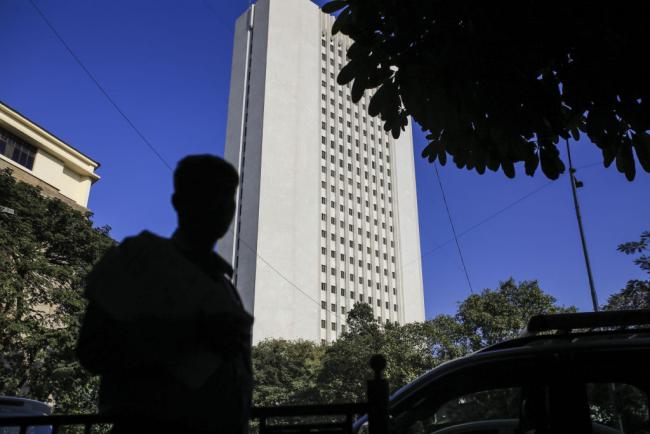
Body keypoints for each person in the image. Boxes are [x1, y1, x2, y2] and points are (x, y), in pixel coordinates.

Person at [76, 155, 253, 434]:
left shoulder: (225, 285)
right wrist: (193, 334)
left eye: (227, 196)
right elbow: (93, 349)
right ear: (179, 202)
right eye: (207, 194)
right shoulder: (137, 260)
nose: (219, 206)